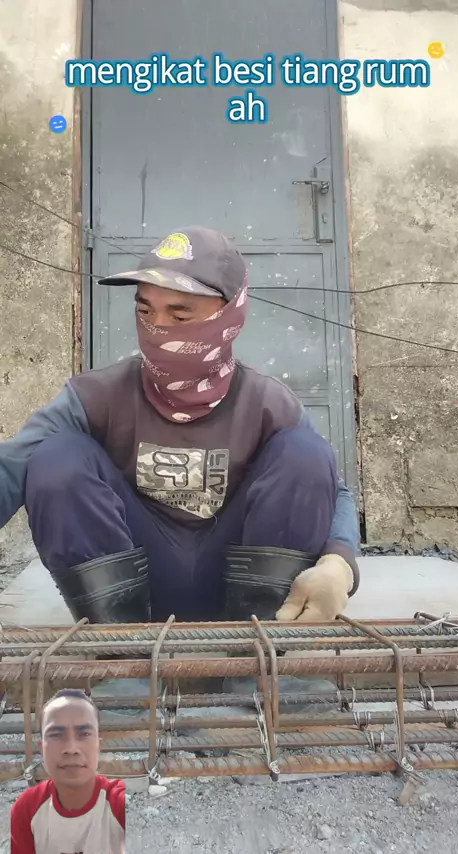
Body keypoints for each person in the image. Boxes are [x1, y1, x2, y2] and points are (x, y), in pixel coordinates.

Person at [0, 226, 360, 625]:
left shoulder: (268, 404)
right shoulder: (95, 397)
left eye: (180, 314)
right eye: (145, 311)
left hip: (243, 589)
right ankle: (120, 651)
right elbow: (12, 467)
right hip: (132, 589)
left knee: (306, 454)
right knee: (56, 457)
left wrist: (338, 565)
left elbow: (333, 491)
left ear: (229, 315)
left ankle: (259, 651)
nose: (158, 327)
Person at [10, 688, 125, 854]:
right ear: (42, 748)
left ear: (99, 745)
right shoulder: (27, 809)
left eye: (84, 734)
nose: (71, 748)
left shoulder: (119, 804)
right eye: (56, 735)